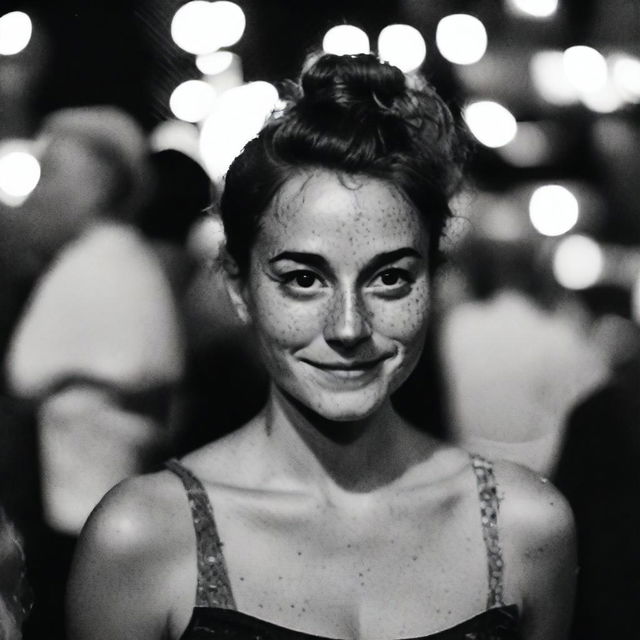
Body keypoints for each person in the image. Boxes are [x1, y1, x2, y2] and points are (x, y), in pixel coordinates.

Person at [67, 53, 576, 640]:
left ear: (434, 281)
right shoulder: (144, 536)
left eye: (389, 277)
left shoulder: (526, 529)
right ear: (240, 287)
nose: (349, 327)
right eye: (304, 279)